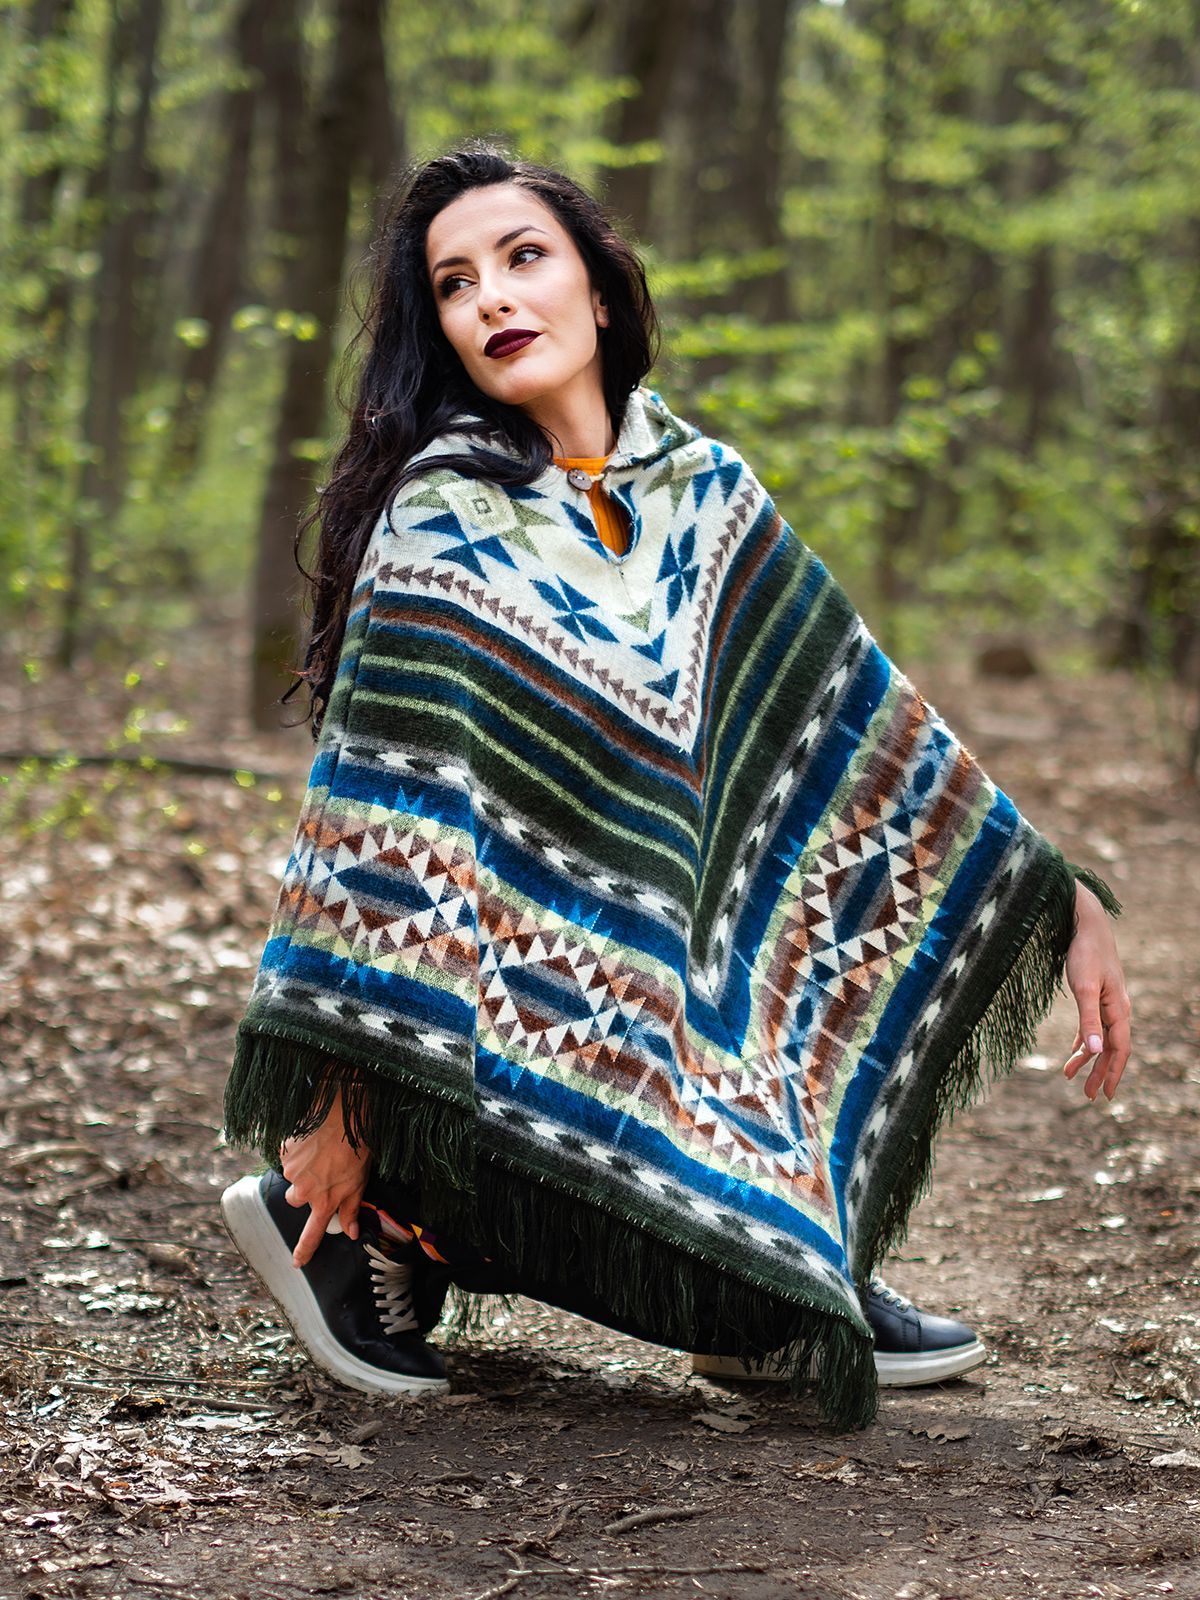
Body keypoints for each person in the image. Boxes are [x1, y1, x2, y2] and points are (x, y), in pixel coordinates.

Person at [219, 142, 1130, 1428]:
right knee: (557, 1028)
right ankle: (373, 1215)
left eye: (523, 258)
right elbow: (387, 824)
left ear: (599, 293)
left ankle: (783, 1250)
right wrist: (347, 1103)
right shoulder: (443, 518)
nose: (492, 297)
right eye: (456, 284)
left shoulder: (707, 496)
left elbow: (866, 730)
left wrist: (1050, 893)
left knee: (772, 924)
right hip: (508, 1016)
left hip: (676, 992)